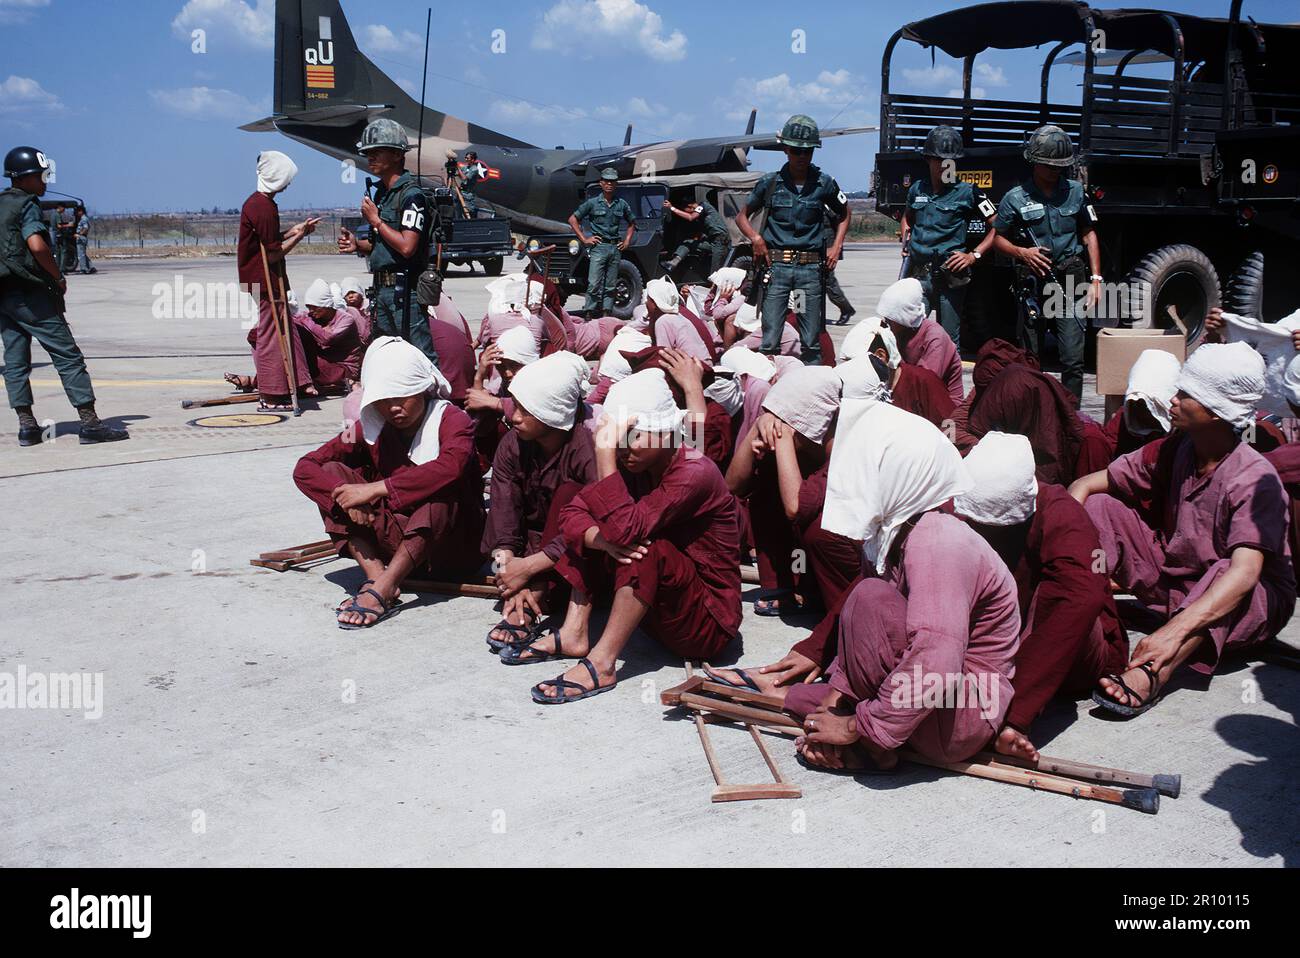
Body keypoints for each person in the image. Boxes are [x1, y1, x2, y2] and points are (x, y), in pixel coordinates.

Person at [782, 402, 1020, 771]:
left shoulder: (938, 540)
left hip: (963, 714)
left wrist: (854, 726)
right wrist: (832, 706)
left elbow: (936, 661)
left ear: (897, 476)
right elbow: (865, 635)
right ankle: (877, 735)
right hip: (934, 699)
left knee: (869, 597)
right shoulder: (896, 532)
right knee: (801, 701)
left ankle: (876, 745)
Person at [1070, 342, 1296, 717]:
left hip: (1246, 600)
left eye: (1186, 394)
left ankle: (1156, 671)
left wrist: (1168, 635)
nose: (1172, 400)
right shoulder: (1175, 449)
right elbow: (1086, 486)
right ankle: (1086, 617)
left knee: (1227, 573)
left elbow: (1244, 573)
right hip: (1178, 580)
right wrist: (1068, 560)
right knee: (1100, 507)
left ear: (1216, 413)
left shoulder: (1255, 479)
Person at [526, 369, 741, 703]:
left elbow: (626, 531)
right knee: (589, 510)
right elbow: (573, 512)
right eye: (618, 439)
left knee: (643, 547)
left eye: (633, 437)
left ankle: (602, 663)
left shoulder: (693, 471)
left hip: (706, 625)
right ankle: (574, 631)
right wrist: (600, 540)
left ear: (666, 431)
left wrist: (604, 454)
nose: (623, 450)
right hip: (659, 612)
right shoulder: (637, 467)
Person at [954, 431, 1127, 760]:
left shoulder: (1062, 513)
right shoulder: (961, 498)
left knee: (1065, 594)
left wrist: (1016, 715)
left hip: (1070, 651)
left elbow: (1078, 602)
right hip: (1002, 637)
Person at [292, 337, 486, 629]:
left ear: (422, 388)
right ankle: (375, 574)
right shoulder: (371, 426)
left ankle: (385, 586)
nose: (393, 408)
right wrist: (342, 498)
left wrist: (374, 489)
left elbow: (451, 466)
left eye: (401, 397)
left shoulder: (452, 420)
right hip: (394, 537)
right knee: (332, 473)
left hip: (449, 549)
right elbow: (306, 467)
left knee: (442, 492)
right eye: (383, 401)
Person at [0, 146, 127, 446]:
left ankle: (27, 425)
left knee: (15, 361)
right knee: (67, 356)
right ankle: (90, 422)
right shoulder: (27, 204)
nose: (45, 181)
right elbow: (37, 244)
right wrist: (56, 275)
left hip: (3, 296)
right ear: (25, 178)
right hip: (31, 294)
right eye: (40, 176)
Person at [484, 352, 599, 655]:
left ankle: (533, 602)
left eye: (526, 409)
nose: (514, 416)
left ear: (552, 412)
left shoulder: (586, 448)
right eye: (515, 405)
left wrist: (529, 569)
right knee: (502, 547)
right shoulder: (512, 444)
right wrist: (507, 572)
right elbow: (502, 515)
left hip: (571, 551)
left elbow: (595, 523)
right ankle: (524, 597)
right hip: (525, 551)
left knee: (572, 501)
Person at [726, 365, 847, 615]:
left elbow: (795, 508)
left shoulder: (839, 445)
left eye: (784, 421)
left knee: (812, 529)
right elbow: (733, 486)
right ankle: (783, 584)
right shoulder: (793, 440)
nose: (777, 426)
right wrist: (755, 431)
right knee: (765, 489)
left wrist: (782, 441)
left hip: (835, 552)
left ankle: (807, 589)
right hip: (798, 554)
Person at [992, 125, 1102, 401]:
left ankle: (1071, 419)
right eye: (1050, 166)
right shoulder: (1015, 198)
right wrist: (1022, 253)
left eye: (1061, 166)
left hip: (1069, 281)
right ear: (1035, 162)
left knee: (1072, 359)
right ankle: (1037, 416)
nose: (1056, 171)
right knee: (1031, 361)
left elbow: (1089, 234)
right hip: (1033, 284)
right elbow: (997, 240)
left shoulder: (1076, 192)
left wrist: (1097, 280)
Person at [736, 115, 848, 366]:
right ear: (785, 149)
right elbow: (742, 216)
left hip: (807, 274)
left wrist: (836, 245)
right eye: (797, 150)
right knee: (771, 336)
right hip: (778, 272)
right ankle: (769, 386)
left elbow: (843, 213)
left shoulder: (824, 183)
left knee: (809, 337)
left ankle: (809, 385)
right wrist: (755, 238)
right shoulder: (770, 183)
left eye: (807, 151)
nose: (802, 156)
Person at [338, 119, 438, 365]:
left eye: (376, 152)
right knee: (388, 358)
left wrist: (376, 221)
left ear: (396, 155)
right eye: (367, 153)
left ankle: (435, 401)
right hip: (383, 290)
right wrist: (358, 245)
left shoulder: (411, 195)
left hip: (406, 291)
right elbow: (383, 246)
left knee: (421, 357)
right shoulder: (383, 194)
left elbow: (407, 246)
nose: (370, 158)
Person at [235, 150, 318, 410]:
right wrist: (300, 237)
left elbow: (269, 239)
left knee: (286, 325)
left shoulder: (261, 203)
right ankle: (271, 393)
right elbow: (272, 253)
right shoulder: (262, 207)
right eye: (286, 179)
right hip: (263, 276)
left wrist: (292, 231)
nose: (288, 184)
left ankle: (298, 380)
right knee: (272, 331)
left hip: (259, 274)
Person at [901, 125, 996, 348]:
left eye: (950, 161)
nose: (945, 165)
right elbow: (907, 218)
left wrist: (974, 256)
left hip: (950, 277)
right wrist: (906, 238)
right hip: (919, 276)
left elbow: (998, 226)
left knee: (947, 342)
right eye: (939, 160)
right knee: (912, 336)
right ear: (928, 159)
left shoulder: (969, 192)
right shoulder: (917, 189)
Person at [841, 315, 954, 428]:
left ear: (881, 356)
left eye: (856, 365)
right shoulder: (854, 389)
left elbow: (951, 428)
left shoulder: (922, 382)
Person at [878, 277, 964, 403]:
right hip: (906, 396)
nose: (886, 322)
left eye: (890, 319)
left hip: (939, 405)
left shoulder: (934, 337)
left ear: (904, 318)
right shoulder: (894, 331)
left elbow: (924, 384)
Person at [568, 169, 634, 315]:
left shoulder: (621, 204)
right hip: (599, 247)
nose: (609, 184)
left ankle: (606, 312)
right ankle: (589, 312)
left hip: (615, 247)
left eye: (612, 181)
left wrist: (627, 241)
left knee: (611, 284)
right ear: (601, 183)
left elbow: (632, 222)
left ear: (616, 184)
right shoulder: (592, 203)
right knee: (594, 283)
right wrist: (584, 239)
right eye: (607, 181)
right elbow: (573, 219)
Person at [1101, 349, 1181, 460]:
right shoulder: (1122, 419)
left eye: (1148, 405)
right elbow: (1108, 450)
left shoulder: (1182, 426)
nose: (1143, 410)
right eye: (1137, 403)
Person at [293, 278, 365, 390]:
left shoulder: (346, 319)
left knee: (304, 364)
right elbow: (296, 318)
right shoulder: (312, 317)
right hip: (324, 361)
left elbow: (328, 338)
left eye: (314, 307)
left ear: (326, 305)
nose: (311, 311)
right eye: (308, 307)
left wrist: (306, 321)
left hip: (343, 368)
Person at [662, 194, 730, 276]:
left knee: (714, 273)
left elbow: (690, 217)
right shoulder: (700, 217)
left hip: (720, 241)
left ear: (690, 206)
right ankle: (673, 263)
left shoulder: (703, 206)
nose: (686, 212)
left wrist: (672, 208)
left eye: (685, 210)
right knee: (687, 243)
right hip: (712, 241)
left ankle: (715, 287)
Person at [73, 208, 95, 275]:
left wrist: (79, 234)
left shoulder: (84, 219)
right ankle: (91, 267)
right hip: (82, 237)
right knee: (83, 254)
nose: (77, 213)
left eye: (78, 212)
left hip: (81, 237)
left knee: (81, 254)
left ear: (81, 211)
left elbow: (86, 228)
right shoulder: (84, 218)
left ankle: (84, 269)